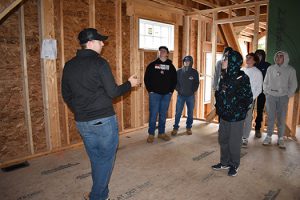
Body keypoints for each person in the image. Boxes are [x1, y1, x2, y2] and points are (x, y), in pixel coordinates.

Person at [61, 28, 140, 200]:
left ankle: (101, 194)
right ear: (90, 43)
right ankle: (97, 196)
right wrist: (130, 83)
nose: (103, 44)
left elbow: (66, 95)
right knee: (105, 160)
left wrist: (80, 109)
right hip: (103, 121)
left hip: (82, 122)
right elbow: (113, 92)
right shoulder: (100, 63)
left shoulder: (69, 65)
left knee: (96, 159)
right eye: (100, 41)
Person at [212, 49, 253, 177]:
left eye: (226, 59)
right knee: (223, 139)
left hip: (236, 117)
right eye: (224, 59)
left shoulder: (242, 77)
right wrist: (219, 106)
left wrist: (237, 110)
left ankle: (234, 164)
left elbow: (248, 98)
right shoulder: (224, 76)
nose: (223, 61)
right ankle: (224, 162)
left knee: (234, 142)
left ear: (233, 62)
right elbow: (220, 93)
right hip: (224, 115)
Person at [262, 51, 298, 149]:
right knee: (270, 117)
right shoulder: (270, 68)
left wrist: (288, 95)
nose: (278, 58)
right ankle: (268, 136)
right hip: (271, 96)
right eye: (277, 56)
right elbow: (265, 82)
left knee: (281, 118)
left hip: (283, 97)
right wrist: (267, 93)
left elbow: (293, 84)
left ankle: (280, 138)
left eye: (281, 56)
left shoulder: (291, 70)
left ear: (285, 58)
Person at [144, 46, 177, 143]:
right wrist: (150, 90)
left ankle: (161, 133)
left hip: (166, 95)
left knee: (163, 115)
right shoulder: (152, 65)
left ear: (167, 54)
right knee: (153, 114)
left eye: (164, 51)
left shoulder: (171, 67)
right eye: (160, 51)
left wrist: (171, 91)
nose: (162, 52)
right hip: (154, 94)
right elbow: (147, 79)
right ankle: (151, 134)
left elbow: (174, 80)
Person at [171, 56, 199, 136]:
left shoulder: (194, 72)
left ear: (191, 62)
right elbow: (175, 83)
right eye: (185, 61)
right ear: (183, 62)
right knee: (178, 112)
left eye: (188, 61)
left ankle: (189, 127)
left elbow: (196, 83)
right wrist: (179, 90)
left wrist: (192, 90)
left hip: (190, 96)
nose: (186, 62)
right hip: (181, 96)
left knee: (190, 113)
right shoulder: (179, 72)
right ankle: (175, 128)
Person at [241, 53, 263, 147]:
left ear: (254, 60)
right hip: (238, 99)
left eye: (250, 58)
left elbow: (259, 88)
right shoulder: (241, 70)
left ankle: (245, 138)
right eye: (246, 57)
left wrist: (251, 98)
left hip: (249, 99)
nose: (247, 59)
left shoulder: (257, 72)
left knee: (248, 118)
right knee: (239, 118)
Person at [254, 49, 271, 138]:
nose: (258, 57)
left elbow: (270, 79)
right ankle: (244, 129)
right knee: (247, 110)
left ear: (263, 56)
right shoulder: (253, 65)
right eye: (257, 55)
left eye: (260, 55)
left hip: (262, 92)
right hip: (252, 91)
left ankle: (257, 129)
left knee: (260, 110)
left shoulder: (268, 66)